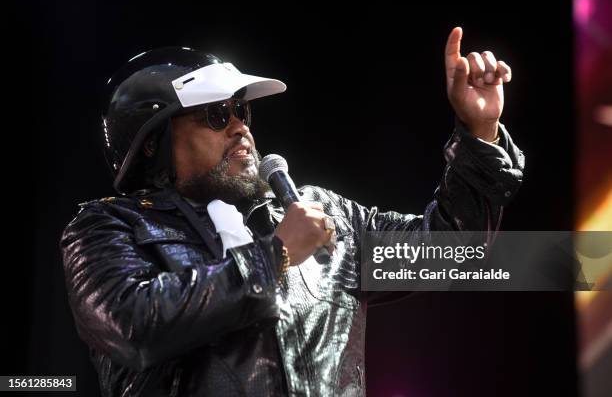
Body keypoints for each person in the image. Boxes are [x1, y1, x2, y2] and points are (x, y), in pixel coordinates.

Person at [60, 27, 524, 396]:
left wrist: (478, 135)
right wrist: (275, 255)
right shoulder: (109, 227)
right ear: (152, 144)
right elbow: (134, 324)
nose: (241, 127)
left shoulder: (323, 216)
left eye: (242, 110)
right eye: (218, 115)